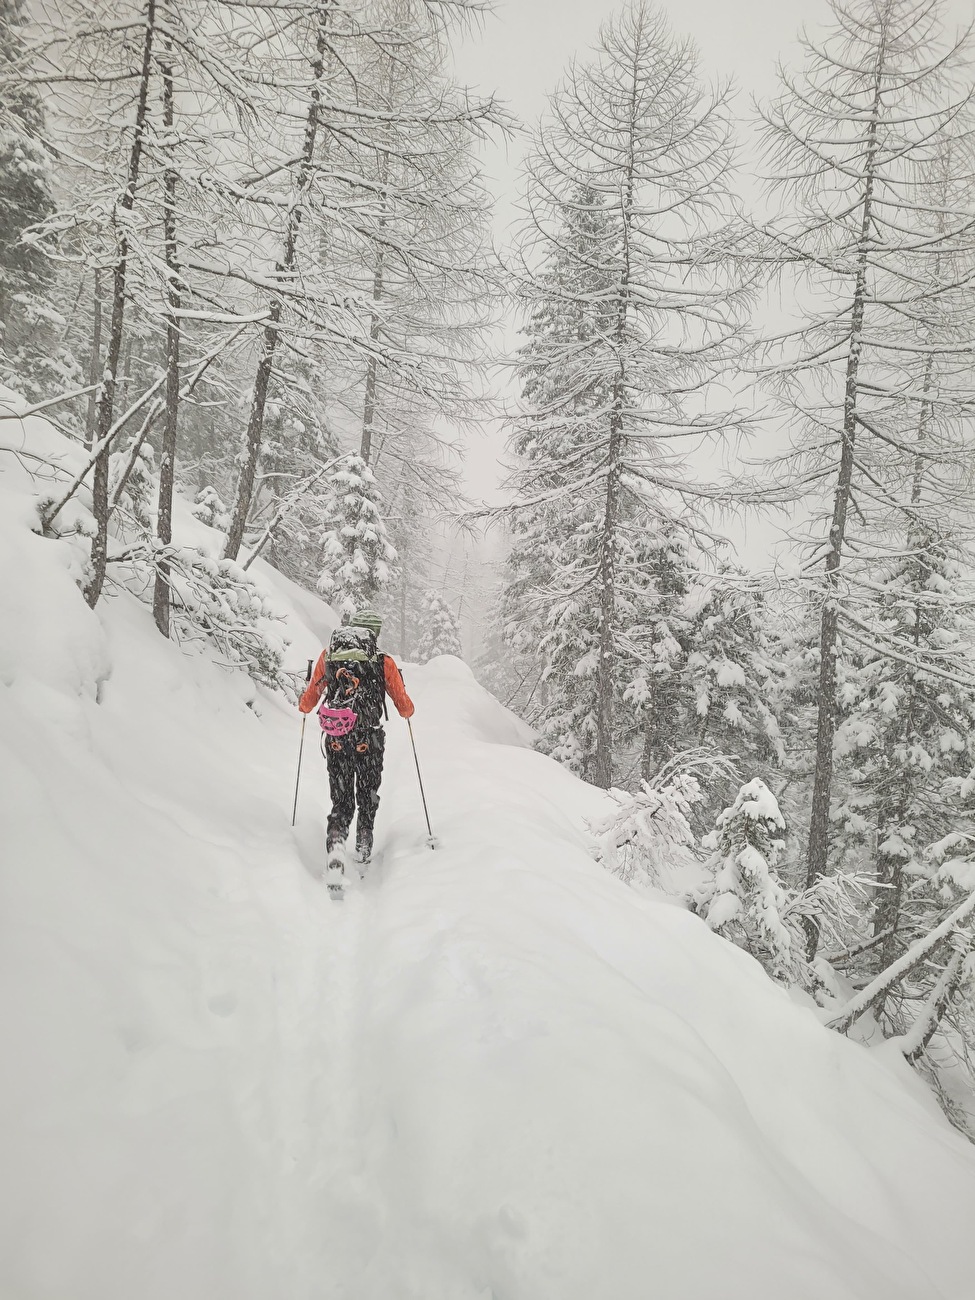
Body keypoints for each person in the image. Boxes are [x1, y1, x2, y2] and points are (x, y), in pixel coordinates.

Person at [298, 607, 414, 864]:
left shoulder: (328, 655)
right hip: (368, 740)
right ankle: (363, 841)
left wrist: (306, 706)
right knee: (367, 793)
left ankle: (336, 842)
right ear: (375, 633)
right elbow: (404, 707)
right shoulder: (383, 662)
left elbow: (308, 701)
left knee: (341, 799)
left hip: (337, 738)